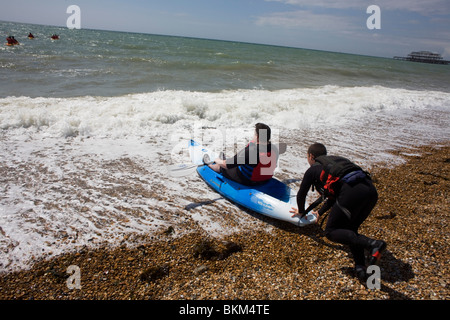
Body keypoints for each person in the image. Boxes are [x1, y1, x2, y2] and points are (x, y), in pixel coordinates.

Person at [290, 143, 386, 279]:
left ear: (311, 156)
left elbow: (301, 194)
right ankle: (360, 268)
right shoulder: (336, 162)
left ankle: (373, 244)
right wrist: (319, 212)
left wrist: (301, 211)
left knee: (331, 231)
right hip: (370, 190)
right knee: (350, 229)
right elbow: (334, 195)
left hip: (352, 192)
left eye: (307, 157)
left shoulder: (313, 169)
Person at [208, 123, 279, 186]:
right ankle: (224, 160)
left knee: (222, 166)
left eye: (254, 134)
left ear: (257, 137)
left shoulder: (251, 151)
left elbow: (226, 165)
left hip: (249, 181)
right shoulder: (275, 149)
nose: (253, 136)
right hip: (266, 179)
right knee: (240, 161)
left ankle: (210, 165)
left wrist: (216, 160)